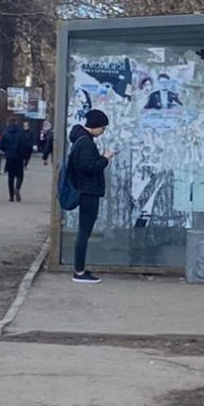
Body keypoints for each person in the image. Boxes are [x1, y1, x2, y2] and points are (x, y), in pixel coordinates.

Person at [69, 109, 116, 284]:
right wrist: (105, 158)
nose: (103, 131)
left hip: (84, 190)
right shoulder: (86, 143)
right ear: (95, 126)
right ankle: (79, 272)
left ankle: (79, 269)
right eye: (102, 128)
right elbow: (88, 167)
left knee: (84, 230)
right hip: (88, 191)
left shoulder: (80, 139)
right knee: (84, 231)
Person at [0, 118, 27, 202]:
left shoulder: (5, 133)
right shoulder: (21, 133)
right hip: (19, 157)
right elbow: (24, 145)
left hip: (9, 157)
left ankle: (11, 196)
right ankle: (17, 188)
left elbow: (0, 146)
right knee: (20, 175)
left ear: (8, 123)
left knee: (10, 177)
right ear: (16, 122)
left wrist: (6, 149)